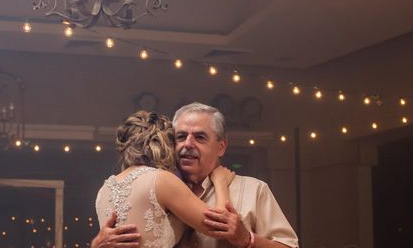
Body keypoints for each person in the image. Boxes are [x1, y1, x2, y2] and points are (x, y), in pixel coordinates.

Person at [93, 103, 299, 248]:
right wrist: (97, 245)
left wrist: (247, 239)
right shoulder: (155, 188)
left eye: (200, 137)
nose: (188, 144)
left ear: (221, 147)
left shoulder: (254, 190)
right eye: (180, 137)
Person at [95, 110, 236, 248]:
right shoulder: (161, 180)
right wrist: (220, 182)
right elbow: (220, 226)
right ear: (164, 145)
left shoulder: (104, 190)